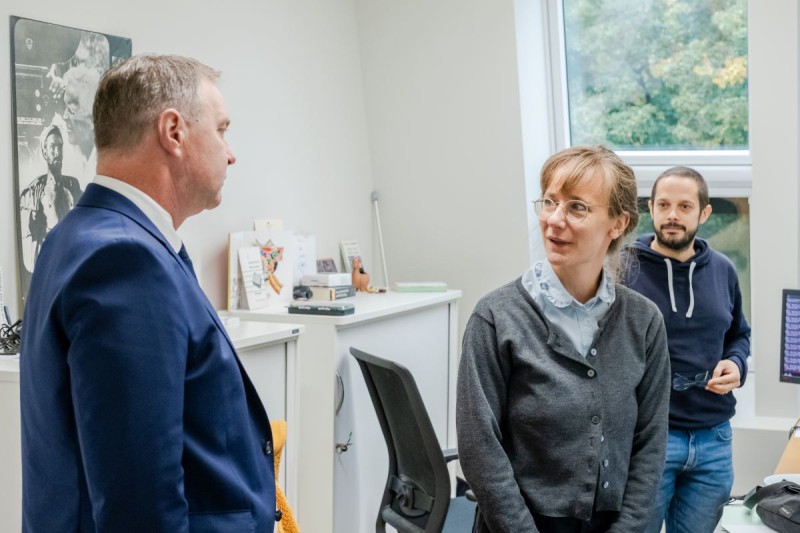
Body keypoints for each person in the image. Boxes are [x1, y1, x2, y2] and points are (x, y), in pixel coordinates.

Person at [20, 54, 279, 532]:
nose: (230, 152)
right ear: (174, 132)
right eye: (222, 129)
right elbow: (139, 504)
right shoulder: (125, 260)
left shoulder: (74, 238)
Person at [457, 145, 671, 532]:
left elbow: (651, 444)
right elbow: (480, 450)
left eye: (577, 207)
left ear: (618, 224)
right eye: (550, 202)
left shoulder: (644, 321)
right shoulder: (495, 318)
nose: (554, 220)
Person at [622, 166, 751, 533]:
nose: (672, 215)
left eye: (684, 206)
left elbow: (739, 334)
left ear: (704, 213)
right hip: (649, 438)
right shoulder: (623, 270)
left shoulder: (724, 270)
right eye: (663, 205)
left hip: (714, 439)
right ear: (651, 208)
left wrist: (736, 364)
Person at [18, 124, 83, 275]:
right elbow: (32, 238)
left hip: (72, 264)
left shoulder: (73, 186)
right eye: (53, 147)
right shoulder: (34, 193)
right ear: (44, 152)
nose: (58, 152)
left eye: (60, 147)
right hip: (49, 267)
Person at [57, 64, 101, 188]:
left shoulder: (112, 162)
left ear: (95, 115)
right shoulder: (63, 154)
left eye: (74, 106)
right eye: (66, 106)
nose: (65, 116)